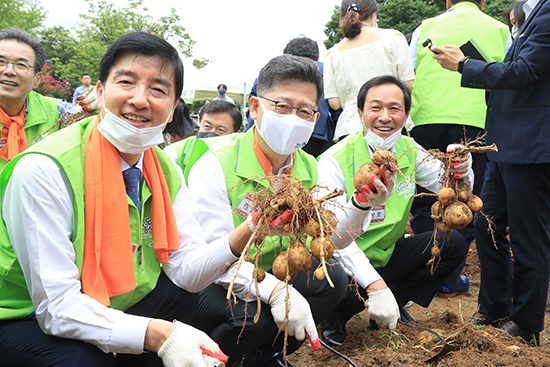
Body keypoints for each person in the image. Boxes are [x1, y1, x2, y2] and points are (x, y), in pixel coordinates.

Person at [0, 31, 255, 366]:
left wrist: (251, 227)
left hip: (111, 298)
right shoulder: (44, 170)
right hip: (23, 315)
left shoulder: (164, 168)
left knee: (181, 296)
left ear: (174, 107)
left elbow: (186, 269)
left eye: (158, 89)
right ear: (100, 91)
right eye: (127, 82)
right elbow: (57, 307)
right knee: (83, 360)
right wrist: (157, 335)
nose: (139, 99)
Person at [181, 55, 366, 367]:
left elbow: (331, 237)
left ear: (316, 118)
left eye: (305, 111)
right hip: (214, 281)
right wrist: (277, 291)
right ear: (255, 108)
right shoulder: (216, 165)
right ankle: (222, 357)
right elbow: (212, 257)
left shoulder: (310, 168)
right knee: (251, 318)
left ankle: (264, 356)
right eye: (282, 106)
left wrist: (364, 203)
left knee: (333, 277)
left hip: (270, 270)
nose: (294, 117)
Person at [317, 75, 471, 347]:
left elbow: (453, 189)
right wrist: (374, 284)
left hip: (388, 254)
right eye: (375, 108)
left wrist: (460, 169)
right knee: (335, 277)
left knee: (452, 243)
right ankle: (335, 317)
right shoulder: (334, 159)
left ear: (407, 115)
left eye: (395, 109)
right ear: (360, 113)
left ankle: (395, 304)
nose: (385, 117)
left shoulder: (409, 149)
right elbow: (329, 237)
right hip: (346, 260)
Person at [432, 0, 550, 345]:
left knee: (529, 238)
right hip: (505, 142)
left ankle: (526, 324)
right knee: (487, 225)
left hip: (531, 145)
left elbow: (526, 72)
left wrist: (466, 64)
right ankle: (494, 308)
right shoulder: (532, 12)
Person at [408, 0, 508, 297]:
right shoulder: (501, 30)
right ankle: (449, 277)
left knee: (429, 197)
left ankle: (424, 271)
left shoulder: (425, 27)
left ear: (448, 2)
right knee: (465, 195)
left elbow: (410, 75)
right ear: (484, 2)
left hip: (425, 120)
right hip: (474, 123)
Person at [324, 0, 414, 141]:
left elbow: (335, 103)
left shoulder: (333, 53)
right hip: (390, 125)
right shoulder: (393, 38)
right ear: (373, 16)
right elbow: (408, 84)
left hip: (351, 129)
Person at [246, 36, 340, 157]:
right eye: (283, 105)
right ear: (317, 58)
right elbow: (337, 110)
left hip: (273, 133)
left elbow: (253, 115)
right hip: (318, 135)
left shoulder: (267, 75)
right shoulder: (327, 71)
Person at [0, 26, 75, 172]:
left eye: (21, 65)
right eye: (1, 61)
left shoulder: (60, 113)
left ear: (37, 79)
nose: (8, 71)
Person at [164, 99, 242, 174]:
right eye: (207, 126)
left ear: (236, 134)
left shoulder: (241, 161)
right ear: (199, 123)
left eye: (220, 130)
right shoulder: (174, 153)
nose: (212, 133)